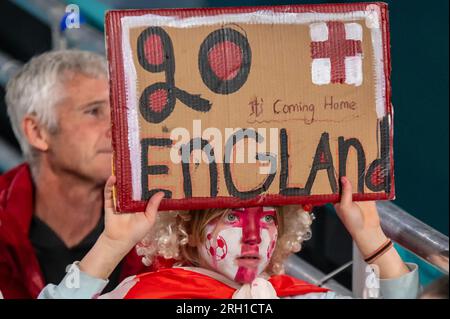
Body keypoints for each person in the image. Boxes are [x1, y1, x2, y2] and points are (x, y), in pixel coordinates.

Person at [38, 176, 419, 299]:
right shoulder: (145, 294)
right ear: (187, 230)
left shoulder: (303, 297)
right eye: (231, 217)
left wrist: (371, 237)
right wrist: (111, 245)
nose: (253, 236)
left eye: (268, 218)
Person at [0, 50, 162, 299]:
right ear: (38, 132)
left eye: (119, 111)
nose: (117, 127)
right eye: (94, 111)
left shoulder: (162, 223)